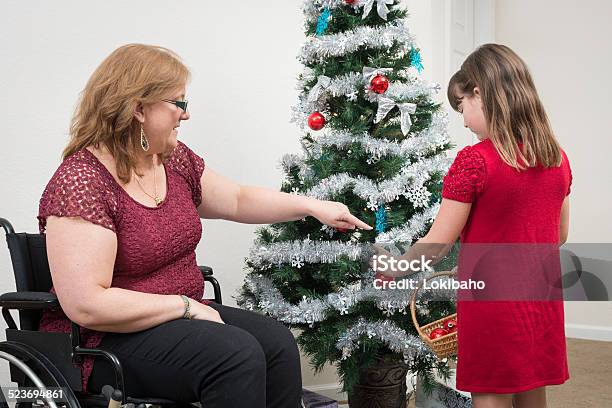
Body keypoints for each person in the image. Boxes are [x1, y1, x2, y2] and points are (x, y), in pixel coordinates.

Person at [37, 43, 372, 408]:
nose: (186, 114)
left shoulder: (171, 160)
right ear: (137, 108)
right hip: (102, 339)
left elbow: (238, 198)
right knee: (235, 355)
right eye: (178, 103)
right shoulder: (82, 181)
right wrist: (183, 306)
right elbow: (88, 304)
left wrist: (311, 206)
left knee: (276, 343)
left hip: (179, 315)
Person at [373, 44, 571, 408]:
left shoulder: (474, 161)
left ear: (479, 92)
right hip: (541, 302)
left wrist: (396, 266)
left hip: (491, 305)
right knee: (531, 389)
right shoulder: (556, 157)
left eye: (462, 105)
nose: (463, 120)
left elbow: (439, 243)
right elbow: (558, 236)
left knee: (491, 392)